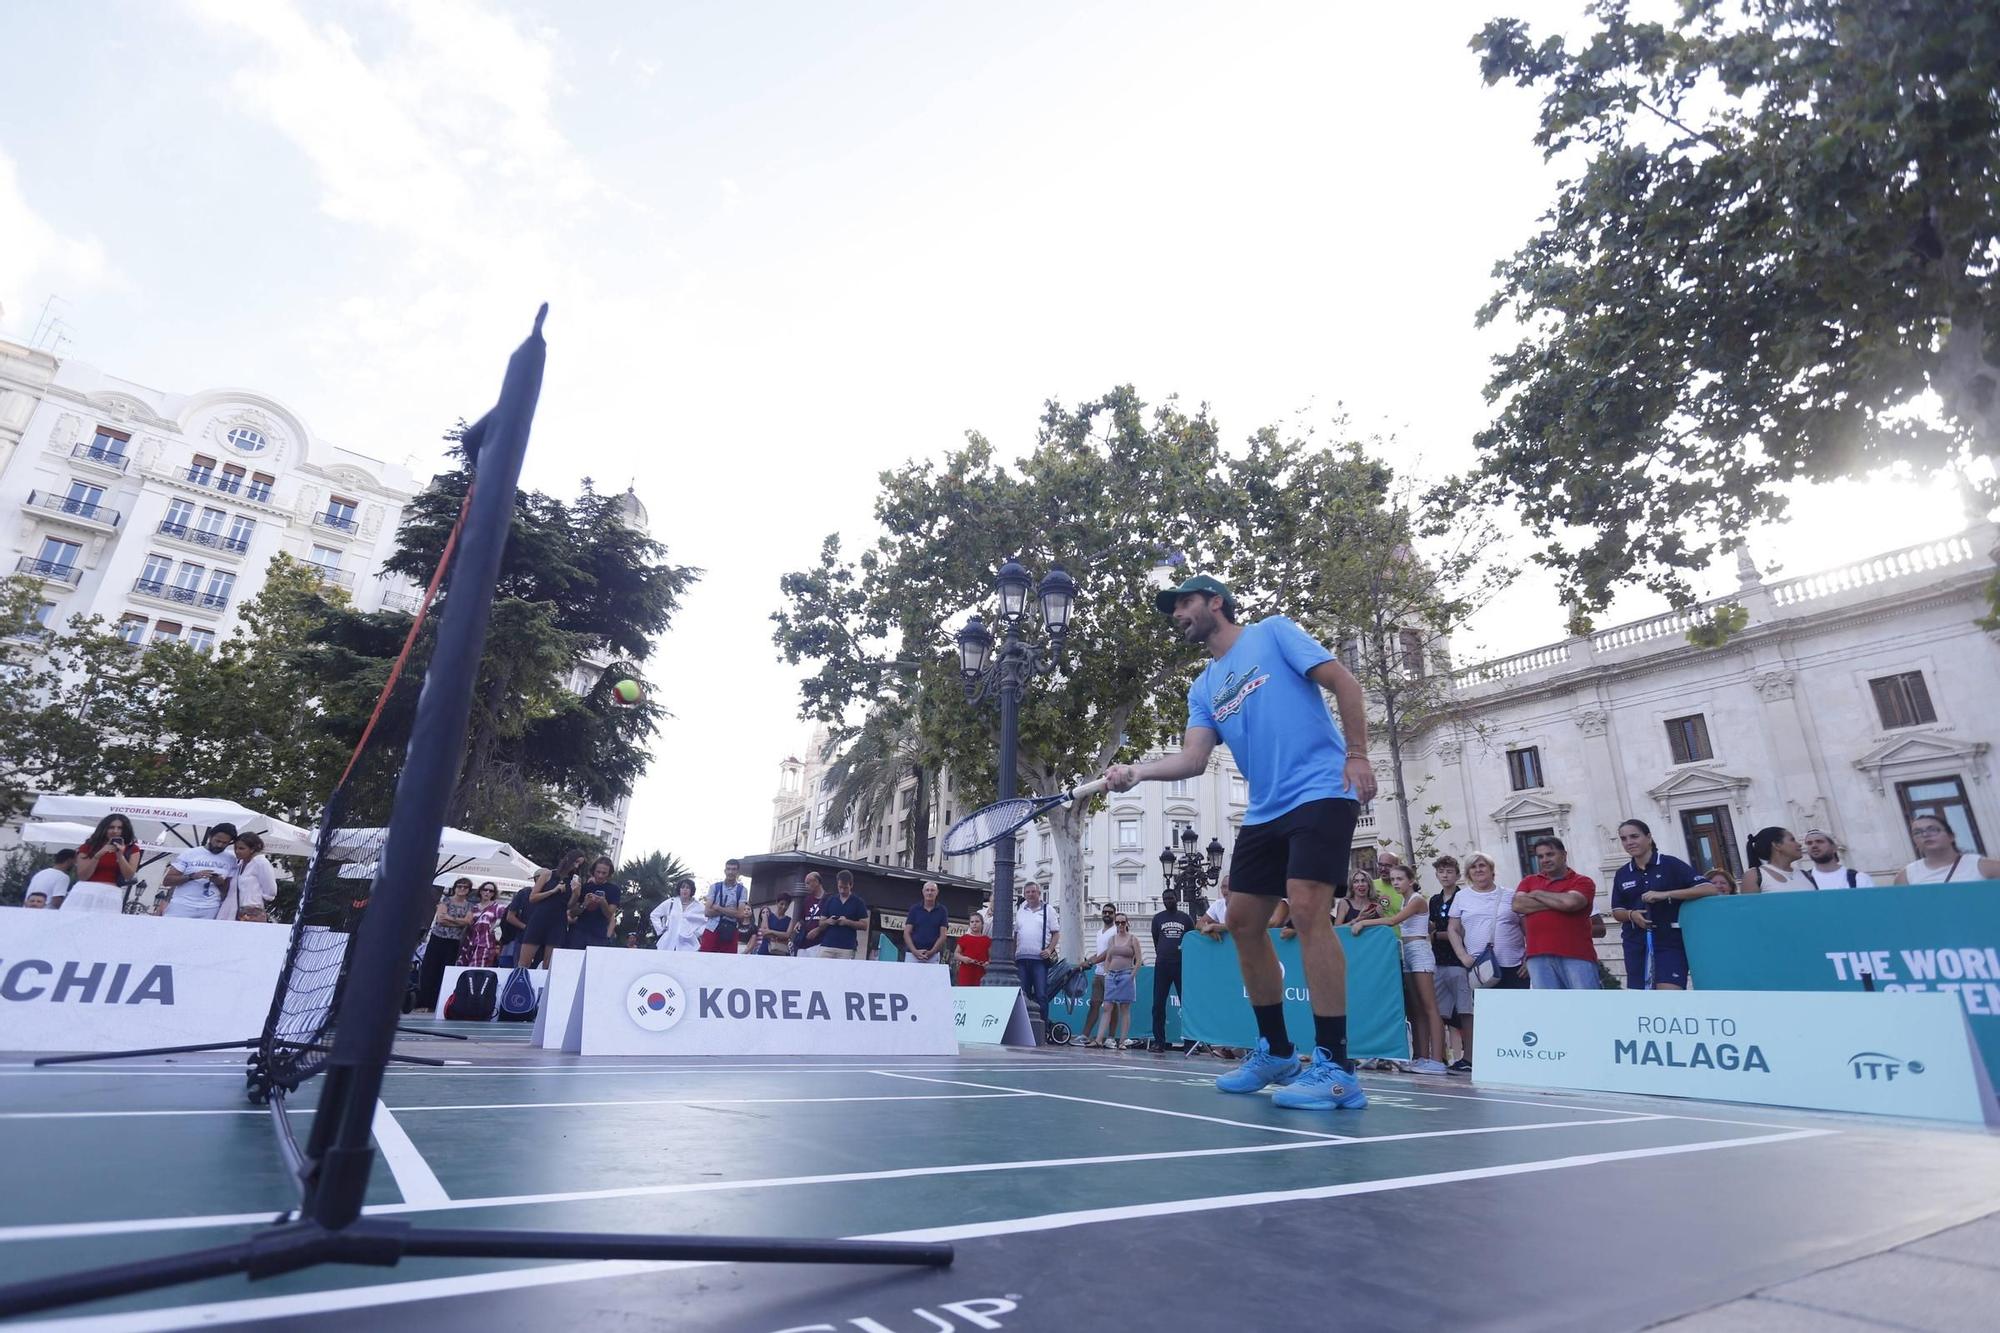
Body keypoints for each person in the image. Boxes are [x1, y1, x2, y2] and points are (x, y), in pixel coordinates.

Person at [1106, 573, 1374, 1112]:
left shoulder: (1273, 633)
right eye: (1173, 608)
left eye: (1185, 602)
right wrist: (1137, 770)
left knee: (1305, 908)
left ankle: (1337, 1068)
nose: (1177, 613)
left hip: (1322, 788)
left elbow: (1344, 682)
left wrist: (1359, 754)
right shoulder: (1203, 687)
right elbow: (1193, 759)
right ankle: (1276, 1051)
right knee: (1243, 922)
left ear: (1216, 603)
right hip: (1266, 809)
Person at [1350, 864, 1447, 1074]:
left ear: (1411, 880)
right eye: (1393, 879)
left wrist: (1365, 922)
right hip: (1408, 951)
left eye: (1400, 879)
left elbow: (1394, 921)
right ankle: (1421, 1056)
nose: (1395, 883)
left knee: (1429, 1006)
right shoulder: (1404, 900)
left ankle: (1437, 1060)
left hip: (1420, 950)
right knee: (1415, 1009)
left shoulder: (1417, 899)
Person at [1610, 819, 1713, 990]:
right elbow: (1617, 910)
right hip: (1635, 943)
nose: (1629, 842)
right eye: (1624, 838)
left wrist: (1666, 894)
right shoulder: (1622, 873)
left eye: (1634, 836)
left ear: (1648, 837)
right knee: (1642, 1000)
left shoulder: (1670, 864)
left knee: (1669, 995)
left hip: (1669, 940)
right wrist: (1632, 915)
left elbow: (1708, 889)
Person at [1512, 836, 1599, 989]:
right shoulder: (1528, 881)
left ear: (1564, 855)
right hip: (1537, 956)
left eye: (1550, 854)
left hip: (1576, 955)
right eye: (1540, 856)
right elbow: (1518, 904)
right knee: (1550, 1010)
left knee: (1585, 1008)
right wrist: (1560, 901)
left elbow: (1571, 903)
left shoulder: (1582, 881)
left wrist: (1537, 894)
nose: (1545, 859)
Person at [1449, 852, 1528, 995]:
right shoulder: (1461, 897)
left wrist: (1530, 957)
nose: (1478, 870)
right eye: (1473, 867)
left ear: (1491, 870)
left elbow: (1528, 928)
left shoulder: (1511, 895)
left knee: (1518, 1013)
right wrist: (1463, 956)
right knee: (1488, 1015)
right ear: (1468, 873)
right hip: (1480, 967)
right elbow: (1453, 929)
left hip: (1514, 965)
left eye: (1482, 865)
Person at [1429, 856, 1471, 1071]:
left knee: (1464, 1010)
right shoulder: (1434, 900)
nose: (1445, 876)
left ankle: (1469, 1057)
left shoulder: (1463, 897)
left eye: (1449, 872)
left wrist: (1439, 935)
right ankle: (1447, 1055)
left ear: (1457, 875)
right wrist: (1436, 934)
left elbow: (1462, 931)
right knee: (1442, 1012)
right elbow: (1433, 927)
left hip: (1458, 960)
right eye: (1441, 872)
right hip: (1438, 960)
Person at [414, 879, 477, 1012]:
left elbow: (467, 921)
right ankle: (421, 1002)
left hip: (453, 941)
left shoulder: (469, 906)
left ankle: (434, 1003)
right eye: (459, 886)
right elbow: (440, 919)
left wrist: (451, 919)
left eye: (465, 887)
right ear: (455, 888)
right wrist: (458, 922)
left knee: (444, 971)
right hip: (438, 938)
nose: (462, 889)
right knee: (429, 969)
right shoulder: (446, 901)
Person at [1148, 888, 1196, 1053]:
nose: (1168, 900)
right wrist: (1163, 954)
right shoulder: (1157, 918)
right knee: (1158, 1005)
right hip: (1162, 965)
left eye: (1171, 898)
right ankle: (1159, 1041)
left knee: (1186, 1004)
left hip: (1181, 965)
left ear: (1177, 898)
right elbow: (1156, 940)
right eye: (1165, 898)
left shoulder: (1186, 919)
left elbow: (1191, 940)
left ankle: (1190, 1043)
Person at [161, 822, 241, 920]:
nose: (220, 845)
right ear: (210, 837)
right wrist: (192, 876)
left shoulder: (231, 859)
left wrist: (219, 882)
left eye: (225, 843)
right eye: (217, 841)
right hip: (182, 905)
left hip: (211, 908)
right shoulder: (190, 853)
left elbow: (229, 890)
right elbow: (167, 881)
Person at [520, 850, 585, 968]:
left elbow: (568, 906)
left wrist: (576, 894)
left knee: (549, 966)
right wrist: (553, 891)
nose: (576, 866)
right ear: (568, 859)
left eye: (580, 864)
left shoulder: (575, 880)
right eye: (575, 862)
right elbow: (533, 898)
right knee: (524, 963)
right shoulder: (547, 874)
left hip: (558, 921)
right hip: (539, 918)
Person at [1088, 913, 1142, 1049]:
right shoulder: (1112, 939)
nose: (1120, 925)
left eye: (1123, 922)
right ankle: (1099, 1039)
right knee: (1107, 1007)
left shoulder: (1133, 939)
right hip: (1112, 975)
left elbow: (1139, 959)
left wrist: (1132, 975)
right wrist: (1106, 972)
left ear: (1127, 923)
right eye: (1117, 923)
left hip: (1126, 974)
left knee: (1124, 1008)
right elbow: (1108, 957)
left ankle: (1122, 1041)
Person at [1894, 814, 2000, 884]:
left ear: (1951, 836)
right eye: (1917, 832)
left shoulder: (1982, 866)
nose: (1925, 834)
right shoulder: (1906, 875)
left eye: (1933, 830)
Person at [68, 815, 141, 914]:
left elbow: (129, 875)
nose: (115, 831)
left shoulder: (132, 849)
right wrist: (98, 855)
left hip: (111, 894)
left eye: (120, 828)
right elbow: (83, 876)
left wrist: (120, 856)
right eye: (111, 827)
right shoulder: (88, 846)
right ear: (104, 828)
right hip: (85, 891)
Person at [1012, 881, 1059, 1005]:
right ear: (1024, 894)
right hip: (1021, 958)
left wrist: (1049, 950)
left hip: (1039, 959)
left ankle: (1042, 1023)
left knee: (1041, 994)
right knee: (1023, 994)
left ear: (1039, 893)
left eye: (1033, 891)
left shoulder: (1048, 909)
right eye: (1028, 892)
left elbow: (1056, 933)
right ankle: (1025, 1023)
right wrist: (1013, 954)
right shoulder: (1021, 911)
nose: (1030, 894)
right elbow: (1016, 934)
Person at [565, 856, 623, 950]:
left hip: (598, 936)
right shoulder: (585, 887)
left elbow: (609, 915)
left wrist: (603, 902)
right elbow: (572, 913)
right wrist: (584, 904)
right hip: (578, 933)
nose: (600, 875)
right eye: (598, 872)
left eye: (604, 873)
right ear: (593, 871)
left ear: (609, 874)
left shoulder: (614, 890)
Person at [220, 832, 278, 922]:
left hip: (253, 911)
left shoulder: (261, 863)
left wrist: (254, 902)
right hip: (236, 911)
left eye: (241, 848)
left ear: (252, 849)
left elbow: (271, 891)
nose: (237, 851)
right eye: (235, 848)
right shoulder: (240, 863)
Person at [1082, 902, 1119, 1038]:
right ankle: (1085, 1035)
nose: (1107, 914)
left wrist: (1091, 961)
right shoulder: (1099, 933)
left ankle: (1111, 1037)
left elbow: (1109, 952)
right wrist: (1086, 962)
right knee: (1094, 1004)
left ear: (1115, 914)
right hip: (1098, 973)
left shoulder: (1116, 931)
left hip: (1111, 973)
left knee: (1112, 1006)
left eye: (1110, 912)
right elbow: (1099, 953)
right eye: (1105, 912)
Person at [815, 869, 869, 960]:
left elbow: (864, 925)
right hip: (827, 945)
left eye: (845, 888)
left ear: (851, 885)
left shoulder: (858, 902)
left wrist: (847, 922)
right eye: (840, 887)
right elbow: (821, 923)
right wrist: (829, 921)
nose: (842, 890)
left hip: (847, 948)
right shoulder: (830, 900)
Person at [701, 858, 751, 954]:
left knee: (728, 964)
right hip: (712, 928)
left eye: (733, 869)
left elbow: (740, 914)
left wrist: (718, 908)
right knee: (704, 961)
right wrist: (731, 911)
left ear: (738, 872)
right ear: (725, 871)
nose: (730, 872)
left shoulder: (742, 890)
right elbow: (707, 912)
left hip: (730, 930)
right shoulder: (714, 887)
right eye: (728, 869)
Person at [1799, 829, 1876, 889]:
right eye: (1809, 843)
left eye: (1819, 841)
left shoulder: (1859, 878)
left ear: (1834, 847)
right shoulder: (1803, 880)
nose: (1814, 845)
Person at [1738, 827, 1805, 893]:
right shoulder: (1754, 877)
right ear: (1777, 845)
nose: (1799, 844)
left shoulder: (1806, 875)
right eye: (1792, 840)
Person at [650, 878, 708, 952]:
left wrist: (697, 933)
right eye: (682, 887)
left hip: (689, 945)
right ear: (679, 889)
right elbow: (654, 915)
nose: (685, 889)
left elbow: (707, 921)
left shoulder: (699, 906)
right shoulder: (671, 902)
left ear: (692, 890)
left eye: (688, 887)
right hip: (668, 943)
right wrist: (660, 930)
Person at [903, 881, 950, 964]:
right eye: (927, 890)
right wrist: (914, 951)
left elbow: (943, 935)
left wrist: (932, 952)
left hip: (933, 956)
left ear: (937, 892)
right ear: (923, 892)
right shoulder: (914, 909)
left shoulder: (942, 910)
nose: (929, 892)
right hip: (912, 955)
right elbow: (906, 933)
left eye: (932, 890)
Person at [459, 882, 504, 969]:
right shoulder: (473, 907)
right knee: (463, 969)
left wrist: (495, 925)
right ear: (480, 891)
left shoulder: (497, 907)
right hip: (469, 943)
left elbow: (506, 918)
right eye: (485, 890)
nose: (487, 892)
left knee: (477, 969)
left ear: (493, 894)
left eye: (491, 891)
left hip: (485, 944)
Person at [793, 871, 829, 957]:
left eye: (808, 883)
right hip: (805, 944)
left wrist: (818, 929)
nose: (806, 886)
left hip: (821, 943)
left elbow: (832, 920)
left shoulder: (829, 900)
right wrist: (799, 923)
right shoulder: (806, 900)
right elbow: (803, 918)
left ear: (816, 882)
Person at [498, 884, 533, 966]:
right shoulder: (524, 894)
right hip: (513, 941)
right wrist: (527, 928)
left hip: (514, 941)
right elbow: (508, 919)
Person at [955, 911, 992, 985]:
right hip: (966, 972)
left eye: (977, 921)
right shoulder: (964, 938)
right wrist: (963, 958)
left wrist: (988, 963)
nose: (974, 924)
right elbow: (956, 954)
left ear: (982, 924)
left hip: (981, 973)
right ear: (969, 924)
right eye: (972, 922)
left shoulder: (987, 940)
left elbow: (991, 956)